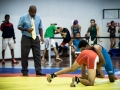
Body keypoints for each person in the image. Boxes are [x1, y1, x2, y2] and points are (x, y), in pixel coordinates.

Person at [17, 5, 45, 76]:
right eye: (32, 12)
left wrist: (41, 37)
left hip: (36, 38)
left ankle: (38, 71)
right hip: (26, 37)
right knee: (24, 55)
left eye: (35, 12)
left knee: (37, 55)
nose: (34, 14)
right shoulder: (23, 17)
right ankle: (25, 71)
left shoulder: (38, 17)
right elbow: (19, 26)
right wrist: (26, 29)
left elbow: (40, 28)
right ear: (29, 11)